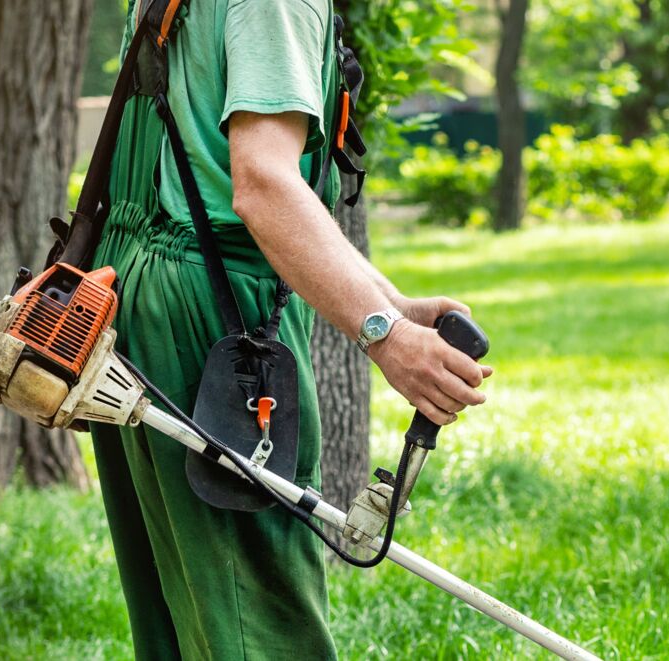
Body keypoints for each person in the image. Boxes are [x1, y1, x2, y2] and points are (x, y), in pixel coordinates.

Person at [85, 2, 494, 658]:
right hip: (216, 312)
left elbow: (206, 166)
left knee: (187, 619)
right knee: (260, 624)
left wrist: (389, 302)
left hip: (146, 288)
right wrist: (383, 334)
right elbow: (263, 187)